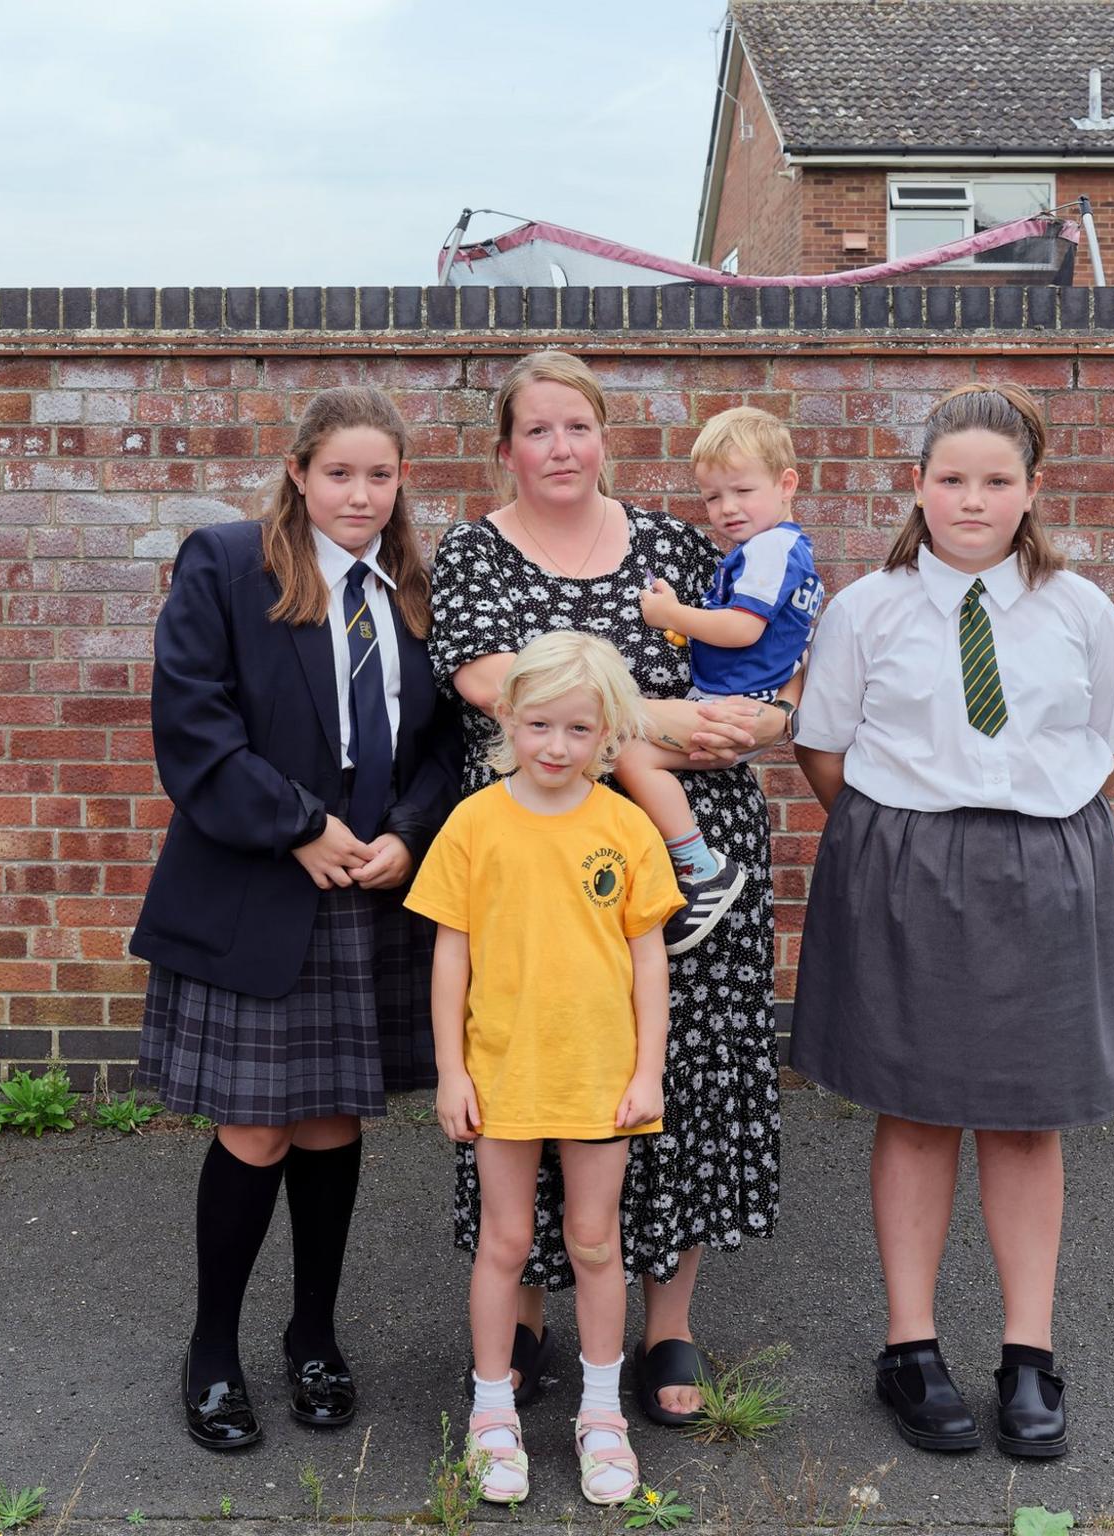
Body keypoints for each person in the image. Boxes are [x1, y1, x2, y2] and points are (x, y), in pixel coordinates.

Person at [789, 381, 1114, 1461]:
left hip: (1041, 868)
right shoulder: (865, 608)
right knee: (910, 1111)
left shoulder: (1079, 608)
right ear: (915, 485)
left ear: (1032, 491)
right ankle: (909, 1348)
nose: (970, 499)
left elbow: (1112, 744)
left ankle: (1026, 1354)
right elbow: (822, 747)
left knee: (1022, 1115)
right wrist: (905, 840)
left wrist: (1028, 834)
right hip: (905, 862)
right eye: (949, 478)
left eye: (996, 481)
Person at [426, 349, 792, 1427]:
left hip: (694, 859)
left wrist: (760, 719)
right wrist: (656, 719)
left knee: (668, 1070)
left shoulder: (678, 547)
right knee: (530, 1067)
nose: (558, 448)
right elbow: (490, 684)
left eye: (575, 427)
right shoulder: (473, 555)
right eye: (535, 431)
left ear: (603, 436)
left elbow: (766, 664)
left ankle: (666, 1318)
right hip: (536, 864)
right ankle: (527, 1314)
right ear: (505, 450)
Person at [129, 385, 461, 1452]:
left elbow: (445, 740)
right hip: (260, 885)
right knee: (257, 1126)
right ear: (297, 472)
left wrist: (410, 831)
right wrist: (299, 828)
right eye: (338, 473)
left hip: (374, 891)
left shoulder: (413, 587)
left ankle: (312, 1336)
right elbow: (192, 728)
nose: (358, 494)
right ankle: (212, 1349)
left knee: (330, 1123)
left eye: (379, 474)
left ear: (400, 480)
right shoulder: (227, 565)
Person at [406, 631, 683, 1506]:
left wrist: (650, 1070)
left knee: (596, 1241)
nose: (555, 747)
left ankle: (602, 1417)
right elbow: (451, 955)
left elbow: (649, 961)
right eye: (538, 726)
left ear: (608, 734)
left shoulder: (626, 826)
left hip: (602, 1077)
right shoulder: (476, 823)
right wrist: (452, 1071)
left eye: (576, 729)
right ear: (506, 721)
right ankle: (495, 1414)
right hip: (505, 1073)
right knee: (507, 1240)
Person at [618, 405, 824, 954]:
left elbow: (741, 628)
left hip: (731, 706)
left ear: (786, 485)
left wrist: (671, 615)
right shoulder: (781, 549)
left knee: (630, 755)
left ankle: (700, 865)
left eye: (742, 491)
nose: (727, 509)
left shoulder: (769, 549)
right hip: (742, 699)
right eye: (713, 497)